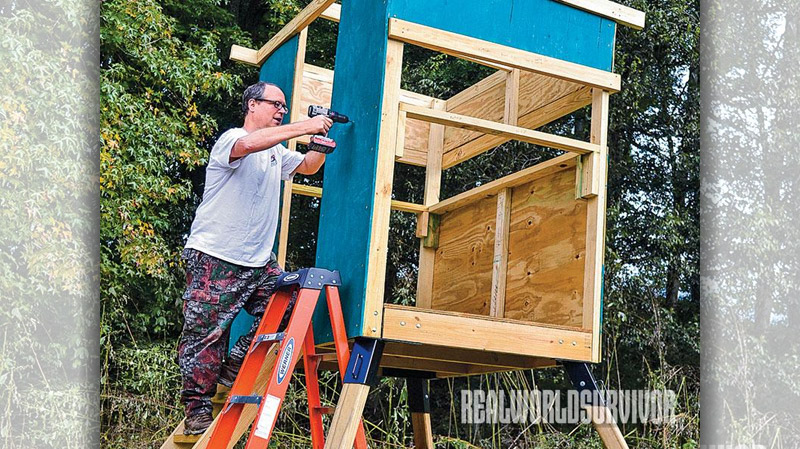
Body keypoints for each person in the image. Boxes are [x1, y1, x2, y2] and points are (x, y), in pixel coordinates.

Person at [177, 81, 333, 435]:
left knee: (297, 304)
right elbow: (248, 145)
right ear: (251, 105)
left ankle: (235, 364)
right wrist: (304, 126)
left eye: (283, 106)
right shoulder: (231, 139)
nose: (281, 110)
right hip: (215, 256)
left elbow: (308, 167)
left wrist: (320, 142)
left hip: (258, 261)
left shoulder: (276, 153)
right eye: (275, 104)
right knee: (205, 335)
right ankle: (197, 410)